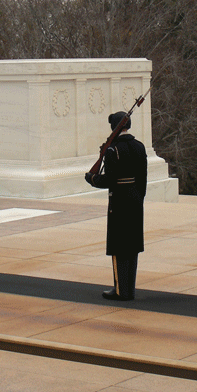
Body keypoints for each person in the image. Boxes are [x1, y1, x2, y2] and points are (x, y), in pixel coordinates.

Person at [85, 111, 148, 301]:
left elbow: (110, 180)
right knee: (132, 246)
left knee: (119, 246)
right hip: (136, 200)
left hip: (119, 201)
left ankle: (121, 290)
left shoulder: (113, 149)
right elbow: (143, 179)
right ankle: (130, 289)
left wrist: (92, 179)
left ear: (114, 127)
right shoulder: (139, 146)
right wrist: (138, 198)